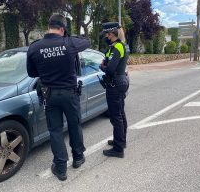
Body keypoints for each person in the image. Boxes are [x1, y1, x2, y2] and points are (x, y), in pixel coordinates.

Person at [26, 13, 90, 181]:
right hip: (70, 94)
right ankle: (78, 158)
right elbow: (87, 41)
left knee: (55, 130)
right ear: (62, 29)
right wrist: (68, 37)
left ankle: (61, 168)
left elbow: (31, 72)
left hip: (49, 95)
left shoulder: (34, 47)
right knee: (74, 125)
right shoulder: (69, 43)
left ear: (48, 27)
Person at [99, 22, 129, 158]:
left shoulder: (118, 47)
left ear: (112, 34)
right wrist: (106, 64)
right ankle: (121, 141)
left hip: (115, 84)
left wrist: (102, 67)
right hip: (119, 82)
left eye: (107, 33)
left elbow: (110, 69)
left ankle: (118, 149)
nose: (106, 36)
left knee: (116, 116)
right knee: (120, 113)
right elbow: (109, 63)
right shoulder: (116, 46)